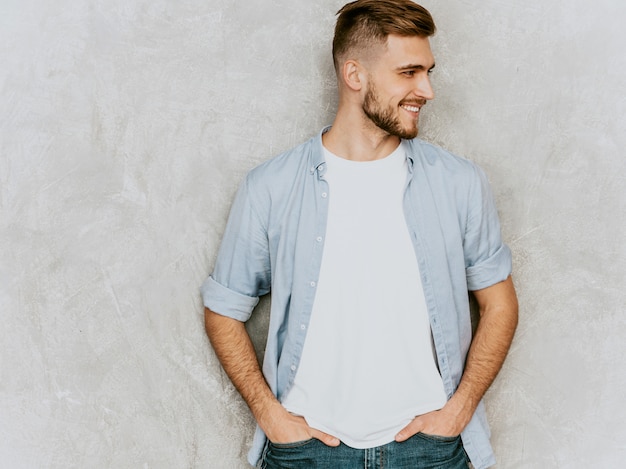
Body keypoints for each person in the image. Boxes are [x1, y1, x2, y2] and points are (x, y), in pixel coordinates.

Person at [201, 1, 518, 468]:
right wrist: (271, 417)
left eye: (428, 72)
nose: (427, 90)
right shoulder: (270, 187)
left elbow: (500, 303)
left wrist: (459, 410)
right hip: (306, 451)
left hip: (430, 450)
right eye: (409, 73)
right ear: (355, 75)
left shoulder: (459, 183)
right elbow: (223, 311)